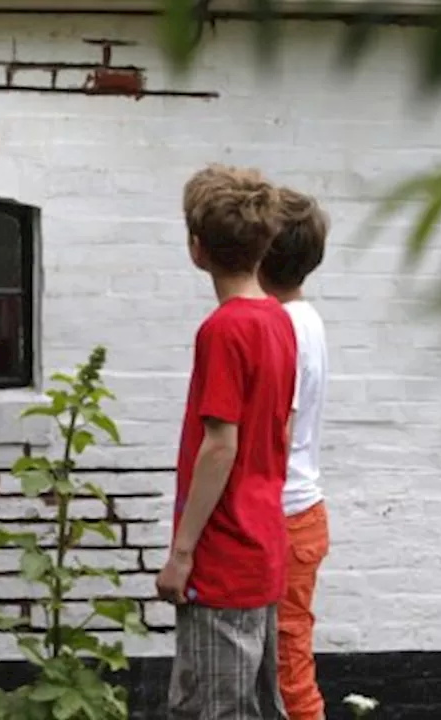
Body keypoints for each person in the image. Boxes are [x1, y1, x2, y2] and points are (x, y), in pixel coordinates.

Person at [156, 164, 296, 720]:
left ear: (197, 248)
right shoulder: (279, 322)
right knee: (254, 704)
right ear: (263, 248)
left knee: (211, 709)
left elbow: (221, 446)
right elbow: (279, 430)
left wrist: (181, 554)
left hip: (223, 554)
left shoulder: (225, 329)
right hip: (264, 542)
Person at [260, 187, 331, 720]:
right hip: (299, 513)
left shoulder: (282, 327)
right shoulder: (308, 319)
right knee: (286, 665)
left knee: (288, 676)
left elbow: (276, 433)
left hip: (282, 515)